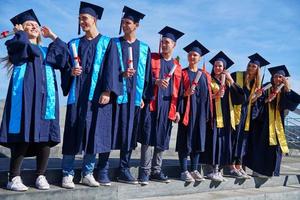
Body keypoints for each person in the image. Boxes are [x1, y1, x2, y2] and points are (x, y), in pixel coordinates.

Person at [0, 9, 66, 191]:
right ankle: (13, 177)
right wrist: (19, 33)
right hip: (25, 99)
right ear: (21, 28)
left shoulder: (46, 51)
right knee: (23, 135)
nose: (34, 27)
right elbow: (19, 47)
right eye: (29, 25)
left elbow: (63, 57)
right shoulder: (17, 44)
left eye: (36, 25)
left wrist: (53, 36)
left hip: (46, 100)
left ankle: (41, 175)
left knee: (44, 137)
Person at [61, 2, 121, 188]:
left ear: (94, 20)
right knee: (72, 130)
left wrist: (107, 90)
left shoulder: (108, 43)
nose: (81, 22)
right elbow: (66, 67)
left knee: (94, 132)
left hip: (97, 96)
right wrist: (71, 72)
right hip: (77, 95)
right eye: (80, 19)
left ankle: (87, 172)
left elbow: (112, 67)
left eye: (84, 18)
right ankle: (67, 173)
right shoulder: (74, 44)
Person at [137, 26, 184, 185]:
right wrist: (155, 82)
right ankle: (144, 171)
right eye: (162, 42)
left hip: (167, 107)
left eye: (167, 42)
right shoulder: (152, 58)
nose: (164, 45)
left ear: (174, 45)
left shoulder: (177, 67)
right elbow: (142, 77)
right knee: (147, 138)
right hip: (152, 104)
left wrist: (178, 110)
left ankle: (156, 170)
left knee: (162, 139)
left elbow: (181, 91)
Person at [111, 6, 153, 184]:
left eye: (128, 22)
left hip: (134, 99)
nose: (124, 25)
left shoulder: (144, 48)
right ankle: (102, 166)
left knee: (128, 133)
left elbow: (148, 75)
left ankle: (124, 168)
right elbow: (107, 69)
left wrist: (144, 96)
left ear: (136, 26)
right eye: (123, 22)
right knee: (110, 131)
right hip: (115, 95)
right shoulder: (114, 43)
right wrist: (120, 75)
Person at [246, 65, 300, 177]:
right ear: (272, 77)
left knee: (276, 148)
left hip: (278, 125)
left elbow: (292, 106)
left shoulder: (285, 91)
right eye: (275, 76)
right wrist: (267, 99)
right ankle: (258, 170)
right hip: (263, 123)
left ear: (284, 79)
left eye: (280, 77)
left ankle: (272, 171)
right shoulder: (266, 87)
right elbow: (256, 104)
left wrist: (288, 89)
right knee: (262, 146)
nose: (277, 79)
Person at [204, 51, 245, 182]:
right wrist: (215, 96)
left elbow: (240, 98)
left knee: (223, 144)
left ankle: (219, 170)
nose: (217, 68)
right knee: (213, 143)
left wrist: (231, 80)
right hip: (213, 117)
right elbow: (202, 98)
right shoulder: (208, 79)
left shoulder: (228, 84)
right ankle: (211, 170)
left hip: (226, 118)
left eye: (220, 66)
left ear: (224, 68)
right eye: (216, 66)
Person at [229, 53, 270, 179]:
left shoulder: (257, 83)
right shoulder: (237, 75)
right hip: (235, 111)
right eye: (250, 65)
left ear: (258, 69)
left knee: (243, 140)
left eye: (254, 67)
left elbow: (251, 101)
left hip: (246, 114)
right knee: (234, 139)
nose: (251, 68)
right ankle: (231, 166)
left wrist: (257, 96)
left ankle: (239, 166)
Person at [176, 40, 210, 182]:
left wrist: (207, 114)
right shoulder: (183, 73)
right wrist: (185, 94)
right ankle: (184, 170)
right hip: (186, 112)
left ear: (200, 58)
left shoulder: (204, 75)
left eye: (195, 55)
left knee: (197, 141)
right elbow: (177, 93)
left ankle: (195, 169)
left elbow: (208, 96)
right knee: (185, 141)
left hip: (200, 113)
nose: (192, 57)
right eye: (190, 55)